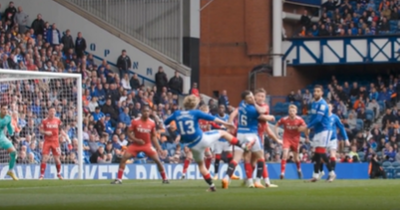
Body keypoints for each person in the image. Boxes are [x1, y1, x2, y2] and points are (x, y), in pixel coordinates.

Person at [164, 95, 249, 192]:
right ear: (195, 104)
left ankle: (212, 186)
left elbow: (166, 122)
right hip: (202, 139)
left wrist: (175, 128)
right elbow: (211, 118)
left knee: (201, 165)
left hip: (192, 145)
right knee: (224, 133)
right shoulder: (195, 112)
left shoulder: (176, 113)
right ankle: (243, 146)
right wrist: (225, 124)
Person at [221, 90, 275, 189]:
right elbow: (262, 113)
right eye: (250, 97)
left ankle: (226, 178)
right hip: (251, 135)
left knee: (236, 159)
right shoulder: (253, 109)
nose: (252, 98)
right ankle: (258, 181)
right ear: (246, 99)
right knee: (261, 158)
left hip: (240, 134)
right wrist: (271, 117)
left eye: (252, 96)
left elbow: (234, 113)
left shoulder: (241, 104)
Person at [111, 105, 169, 184]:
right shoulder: (135, 121)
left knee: (158, 161)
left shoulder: (152, 123)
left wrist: (158, 147)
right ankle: (119, 179)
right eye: (145, 111)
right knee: (124, 158)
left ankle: (165, 179)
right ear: (142, 112)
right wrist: (136, 140)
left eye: (148, 111)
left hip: (147, 145)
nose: (146, 113)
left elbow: (154, 136)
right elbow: (128, 132)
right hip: (136, 145)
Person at [299, 85, 335, 182]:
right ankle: (315, 176)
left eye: (318, 91)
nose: (315, 93)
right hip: (318, 131)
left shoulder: (323, 104)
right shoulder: (313, 103)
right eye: (315, 91)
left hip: (325, 130)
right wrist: (309, 127)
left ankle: (331, 173)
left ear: (322, 93)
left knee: (321, 152)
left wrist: (307, 127)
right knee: (317, 154)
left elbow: (319, 119)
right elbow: (312, 117)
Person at [181, 105, 219, 179]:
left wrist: (222, 127)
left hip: (203, 140)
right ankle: (183, 174)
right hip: (194, 140)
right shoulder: (196, 119)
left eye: (207, 112)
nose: (206, 114)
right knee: (189, 156)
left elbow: (215, 125)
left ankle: (206, 172)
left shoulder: (208, 120)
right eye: (205, 112)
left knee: (209, 156)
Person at [318, 104, 350, 179]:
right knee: (322, 157)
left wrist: (346, 139)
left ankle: (331, 174)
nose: (328, 108)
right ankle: (322, 171)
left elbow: (341, 128)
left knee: (333, 155)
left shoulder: (335, 117)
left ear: (332, 108)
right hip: (324, 140)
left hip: (332, 139)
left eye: (329, 107)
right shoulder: (322, 117)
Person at [275, 105, 307, 180]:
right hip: (286, 138)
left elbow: (306, 128)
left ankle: (299, 169)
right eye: (290, 111)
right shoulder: (284, 119)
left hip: (295, 139)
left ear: (296, 112)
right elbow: (276, 125)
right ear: (288, 112)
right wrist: (277, 136)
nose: (291, 112)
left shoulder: (300, 120)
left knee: (296, 158)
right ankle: (282, 173)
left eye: (293, 111)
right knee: (285, 154)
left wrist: (306, 136)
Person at [39, 107, 67, 180]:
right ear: (48, 112)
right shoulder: (44, 121)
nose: (52, 112)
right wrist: (45, 132)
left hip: (55, 141)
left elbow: (61, 129)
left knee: (57, 159)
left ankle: (59, 174)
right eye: (51, 111)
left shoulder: (57, 120)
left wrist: (65, 136)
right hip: (47, 141)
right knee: (45, 158)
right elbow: (41, 130)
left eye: (54, 111)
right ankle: (41, 175)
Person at [212, 104, 236, 180]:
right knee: (217, 157)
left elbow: (231, 127)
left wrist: (229, 137)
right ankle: (216, 174)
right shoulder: (215, 117)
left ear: (224, 109)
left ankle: (231, 173)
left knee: (230, 156)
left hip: (226, 139)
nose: (221, 109)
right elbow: (212, 127)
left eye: (222, 108)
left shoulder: (228, 117)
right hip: (218, 139)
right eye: (219, 107)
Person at [0, 105, 18, 180]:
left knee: (14, 153)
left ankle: (10, 171)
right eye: (3, 109)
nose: (5, 111)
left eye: (6, 109)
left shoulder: (8, 118)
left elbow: (10, 128)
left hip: (1, 137)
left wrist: (13, 136)